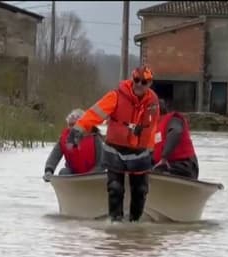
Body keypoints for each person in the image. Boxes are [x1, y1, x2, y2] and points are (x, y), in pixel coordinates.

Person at [67, 66, 160, 222]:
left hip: (140, 152)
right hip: (115, 149)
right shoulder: (116, 96)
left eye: (144, 82)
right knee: (115, 189)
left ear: (149, 84)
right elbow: (94, 114)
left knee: (141, 190)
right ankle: (114, 224)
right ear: (132, 78)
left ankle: (134, 225)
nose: (139, 84)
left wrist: (153, 152)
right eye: (136, 80)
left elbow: (153, 129)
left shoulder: (153, 103)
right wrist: (77, 131)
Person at [42, 109, 104, 182]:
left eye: (75, 124)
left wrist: (88, 177)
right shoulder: (64, 139)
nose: (72, 128)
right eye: (70, 125)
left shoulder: (95, 138)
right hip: (73, 174)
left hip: (94, 175)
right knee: (63, 172)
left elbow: (101, 164)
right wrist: (49, 171)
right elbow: (54, 157)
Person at [152, 99, 199, 179]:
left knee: (155, 170)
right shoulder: (153, 128)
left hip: (185, 165)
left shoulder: (173, 119)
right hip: (165, 165)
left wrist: (164, 157)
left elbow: (176, 131)